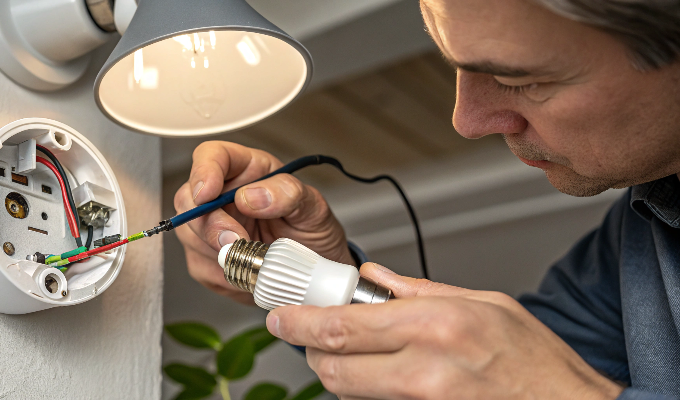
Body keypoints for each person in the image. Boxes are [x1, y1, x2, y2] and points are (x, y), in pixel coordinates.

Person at [173, 0, 680, 398]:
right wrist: (317, 278)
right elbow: (496, 369)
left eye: (519, 79)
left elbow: (542, 381)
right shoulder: (637, 236)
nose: (466, 121)